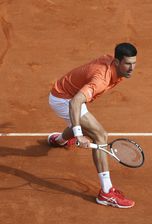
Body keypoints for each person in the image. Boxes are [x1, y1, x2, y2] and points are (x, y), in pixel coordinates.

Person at [47, 42, 137, 209]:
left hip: (69, 93)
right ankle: (106, 193)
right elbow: (75, 103)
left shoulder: (114, 66)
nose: (132, 68)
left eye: (134, 63)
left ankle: (59, 140)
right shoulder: (101, 80)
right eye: (128, 64)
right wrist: (79, 134)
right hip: (65, 99)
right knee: (100, 135)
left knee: (82, 122)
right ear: (116, 62)